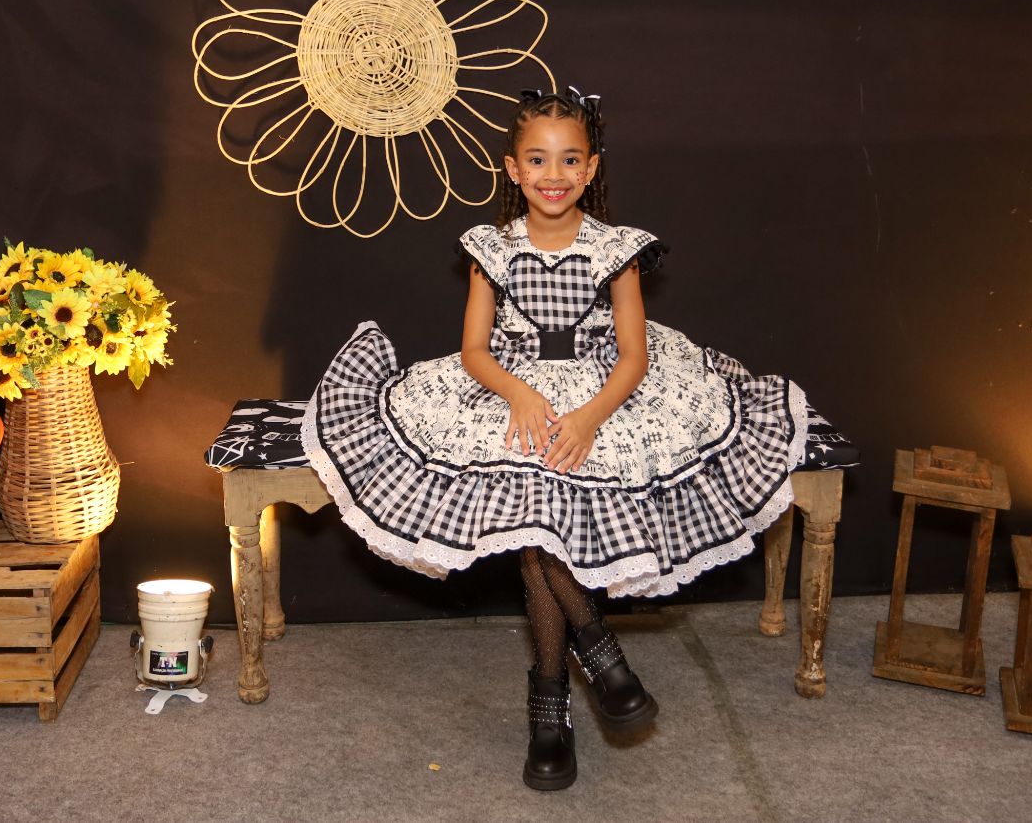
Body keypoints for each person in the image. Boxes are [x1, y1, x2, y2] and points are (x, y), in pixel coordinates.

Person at [303, 90, 816, 791]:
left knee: (541, 536)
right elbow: (474, 351)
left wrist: (590, 418)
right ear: (513, 169)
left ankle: (552, 705)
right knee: (534, 523)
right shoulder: (492, 250)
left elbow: (633, 356)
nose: (554, 174)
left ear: (591, 167)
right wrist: (520, 394)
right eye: (538, 160)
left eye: (570, 160)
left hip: (603, 397)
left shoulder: (616, 251)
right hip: (512, 392)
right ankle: (598, 656)